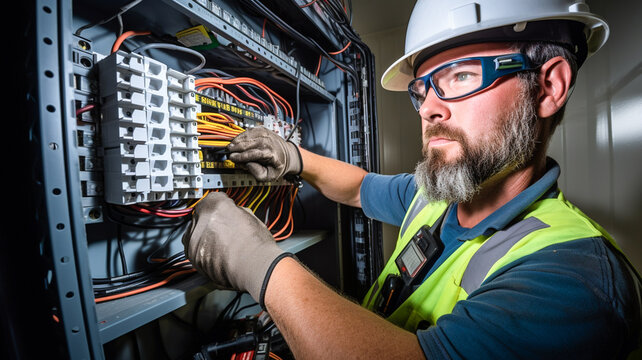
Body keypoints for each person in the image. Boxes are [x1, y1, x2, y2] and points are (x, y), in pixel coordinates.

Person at [183, 0, 642, 358]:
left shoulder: (577, 278)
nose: (428, 108)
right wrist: (293, 157)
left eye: (461, 76)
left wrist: (259, 264)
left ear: (548, 87)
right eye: (422, 90)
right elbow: (360, 187)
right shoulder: (437, 199)